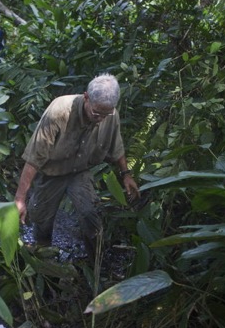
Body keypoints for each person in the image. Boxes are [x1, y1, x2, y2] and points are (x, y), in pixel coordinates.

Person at [14, 74, 140, 260]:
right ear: (86, 97)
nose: (101, 119)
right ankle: (43, 259)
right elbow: (34, 157)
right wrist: (20, 198)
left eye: (106, 114)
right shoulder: (59, 111)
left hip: (80, 172)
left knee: (91, 215)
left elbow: (116, 146)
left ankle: (95, 263)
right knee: (42, 219)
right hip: (52, 173)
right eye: (97, 113)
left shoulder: (110, 115)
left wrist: (126, 174)